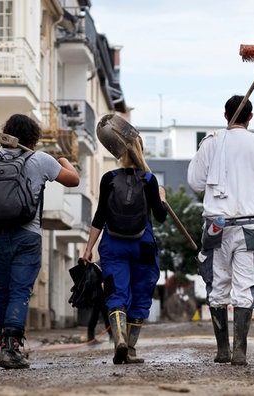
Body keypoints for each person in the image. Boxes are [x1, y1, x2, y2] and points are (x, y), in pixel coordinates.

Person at [0, 113, 79, 369]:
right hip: (27, 235)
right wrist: (64, 160)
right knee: (20, 290)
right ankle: (12, 349)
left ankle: (5, 346)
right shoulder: (40, 159)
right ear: (33, 138)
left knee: (3, 291)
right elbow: (73, 179)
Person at [187, 95, 254, 366]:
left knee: (218, 286)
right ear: (251, 118)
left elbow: (195, 182)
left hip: (216, 227)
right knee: (244, 288)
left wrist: (205, 147)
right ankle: (240, 351)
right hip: (251, 227)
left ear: (225, 116)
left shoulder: (212, 142)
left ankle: (223, 350)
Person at [83, 135, 167, 365]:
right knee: (140, 295)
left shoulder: (108, 178)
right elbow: (160, 217)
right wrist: (161, 198)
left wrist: (89, 248)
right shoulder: (149, 180)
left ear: (119, 154)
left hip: (113, 244)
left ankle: (118, 338)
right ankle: (129, 348)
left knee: (116, 293)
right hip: (144, 246)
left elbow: (100, 215)